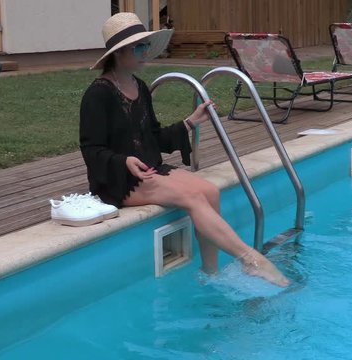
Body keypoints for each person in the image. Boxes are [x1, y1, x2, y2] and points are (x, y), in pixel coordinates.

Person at [80, 13, 289, 287]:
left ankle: (210, 273)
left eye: (146, 46)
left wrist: (190, 122)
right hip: (119, 180)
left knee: (210, 191)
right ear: (119, 53)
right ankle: (251, 260)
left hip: (149, 169)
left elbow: (153, 138)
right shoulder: (98, 94)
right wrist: (124, 161)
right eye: (139, 47)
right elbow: (90, 148)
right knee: (193, 198)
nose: (146, 53)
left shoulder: (139, 87)